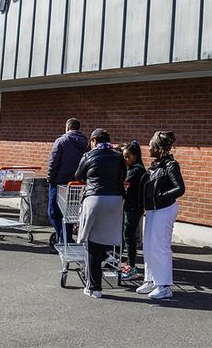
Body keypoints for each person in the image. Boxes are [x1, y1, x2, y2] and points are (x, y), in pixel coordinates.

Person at [74, 128, 125, 298]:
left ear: (95, 140)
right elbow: (122, 177)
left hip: (95, 199)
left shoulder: (89, 156)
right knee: (107, 238)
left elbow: (79, 175)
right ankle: (105, 259)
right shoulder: (118, 156)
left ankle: (94, 287)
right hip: (115, 200)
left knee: (92, 243)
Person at [136, 131, 185, 300]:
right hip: (153, 210)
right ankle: (150, 279)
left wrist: (161, 196)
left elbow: (180, 188)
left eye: (151, 146)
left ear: (158, 148)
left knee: (160, 246)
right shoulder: (156, 165)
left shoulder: (171, 165)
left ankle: (164, 286)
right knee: (149, 245)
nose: (148, 148)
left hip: (164, 209)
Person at [47, 118, 89, 250]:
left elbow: (53, 162)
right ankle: (66, 238)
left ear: (67, 127)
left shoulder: (61, 141)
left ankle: (65, 239)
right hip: (77, 184)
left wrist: (50, 178)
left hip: (59, 182)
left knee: (53, 212)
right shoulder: (86, 143)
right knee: (70, 213)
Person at [120, 140, 146, 280]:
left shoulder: (136, 170)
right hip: (132, 206)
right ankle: (130, 265)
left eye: (127, 157)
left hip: (133, 207)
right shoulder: (135, 168)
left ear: (135, 157)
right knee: (127, 235)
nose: (125, 159)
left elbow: (124, 185)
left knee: (129, 236)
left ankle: (132, 268)